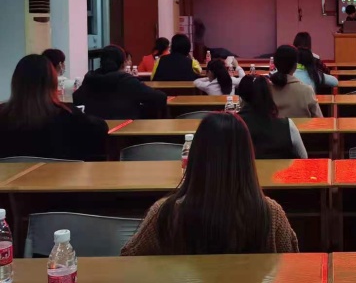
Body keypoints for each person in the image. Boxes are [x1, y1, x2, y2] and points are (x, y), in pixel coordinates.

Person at [121, 113, 299, 255]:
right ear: (247, 159)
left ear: (196, 155)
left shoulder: (166, 212)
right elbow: (292, 265)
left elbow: (129, 258)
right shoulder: (271, 213)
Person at [0, 55, 108, 161]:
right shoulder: (69, 116)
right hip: (65, 173)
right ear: (53, 82)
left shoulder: (3, 116)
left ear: (15, 82)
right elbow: (100, 129)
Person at [74, 45, 167, 120]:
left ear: (101, 62)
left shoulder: (90, 79)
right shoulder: (127, 81)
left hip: (95, 131)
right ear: (123, 64)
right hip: (126, 131)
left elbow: (76, 98)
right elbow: (160, 97)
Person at [237, 75, 308, 159]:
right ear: (269, 95)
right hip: (281, 167)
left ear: (241, 98)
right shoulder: (287, 126)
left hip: (245, 168)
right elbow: (304, 157)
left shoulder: (232, 125)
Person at [269, 45, 323, 118]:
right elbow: (319, 119)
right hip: (302, 126)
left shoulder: (267, 90)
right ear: (295, 66)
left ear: (275, 64)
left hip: (274, 126)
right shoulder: (306, 90)